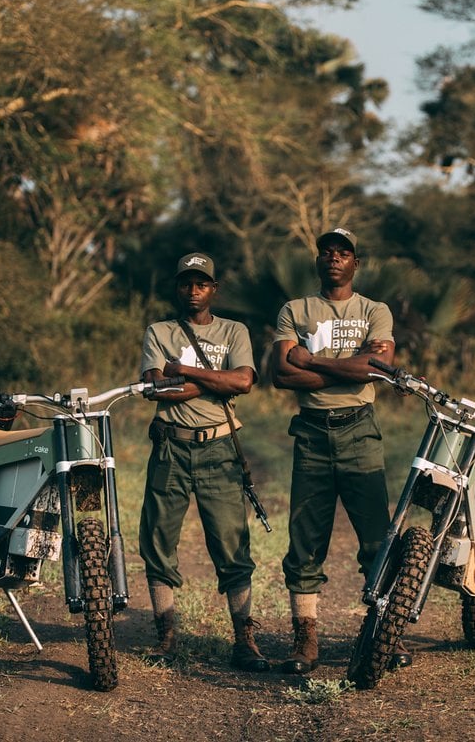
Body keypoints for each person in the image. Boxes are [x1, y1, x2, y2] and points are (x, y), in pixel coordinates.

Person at [270, 227, 409, 675]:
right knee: (306, 540)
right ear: (318, 261)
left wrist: (310, 360)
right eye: (327, 251)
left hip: (359, 432)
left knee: (376, 539)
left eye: (343, 252)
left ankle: (384, 632)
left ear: (355, 262)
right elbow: (281, 375)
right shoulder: (295, 309)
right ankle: (305, 639)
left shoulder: (374, 309)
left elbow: (378, 367)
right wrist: (353, 369)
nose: (334, 257)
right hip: (311, 434)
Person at [138, 252, 269, 672]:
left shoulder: (235, 330)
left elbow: (244, 381)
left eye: (202, 283)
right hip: (170, 446)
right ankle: (166, 635)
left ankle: (244, 639)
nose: (193, 290)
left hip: (219, 447)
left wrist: (183, 373)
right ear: (177, 287)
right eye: (186, 283)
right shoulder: (158, 331)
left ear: (214, 288)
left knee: (231, 542)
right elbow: (154, 388)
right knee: (158, 539)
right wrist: (213, 383)